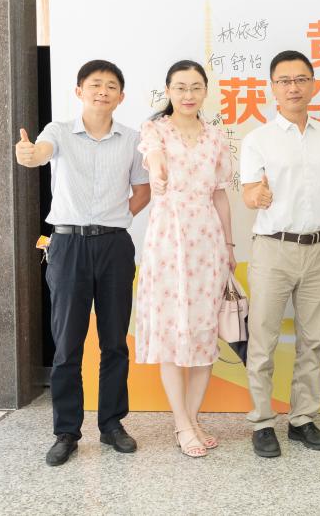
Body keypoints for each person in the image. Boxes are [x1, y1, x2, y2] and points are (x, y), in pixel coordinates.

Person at [15, 59, 150, 466]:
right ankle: (66, 432)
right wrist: (29, 154)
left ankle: (111, 425)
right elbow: (40, 153)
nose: (102, 91)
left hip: (114, 246)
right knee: (67, 344)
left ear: (121, 97)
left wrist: (116, 217)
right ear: (79, 91)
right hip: (68, 245)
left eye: (111, 86)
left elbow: (142, 190)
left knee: (115, 342)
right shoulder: (58, 132)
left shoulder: (133, 139)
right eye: (95, 84)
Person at [241, 51, 320, 458]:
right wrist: (258, 196)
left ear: (313, 85)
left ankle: (302, 419)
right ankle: (262, 422)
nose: (293, 87)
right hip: (273, 249)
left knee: (312, 340)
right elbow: (248, 192)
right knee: (263, 339)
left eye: (301, 79)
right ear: (272, 88)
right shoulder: (258, 139)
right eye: (284, 81)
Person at [134, 60, 236, 459]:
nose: (188, 94)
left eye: (195, 87)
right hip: (168, 239)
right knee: (173, 330)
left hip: (208, 241)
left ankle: (192, 419)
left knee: (204, 331)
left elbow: (220, 194)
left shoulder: (216, 137)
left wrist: (229, 246)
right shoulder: (155, 130)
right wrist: (159, 173)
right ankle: (181, 423)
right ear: (168, 91)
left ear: (205, 91)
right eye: (180, 87)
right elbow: (154, 159)